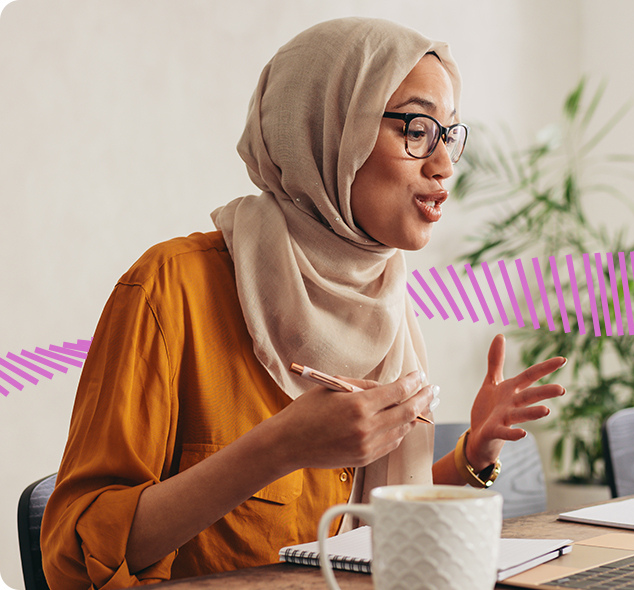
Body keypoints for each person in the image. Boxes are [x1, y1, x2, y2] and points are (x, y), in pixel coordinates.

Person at [40, 17, 566, 590]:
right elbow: (71, 555)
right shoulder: (170, 288)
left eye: (449, 134)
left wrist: (473, 450)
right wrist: (278, 447)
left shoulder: (384, 303)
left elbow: (361, 525)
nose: (442, 164)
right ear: (329, 129)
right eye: (416, 128)